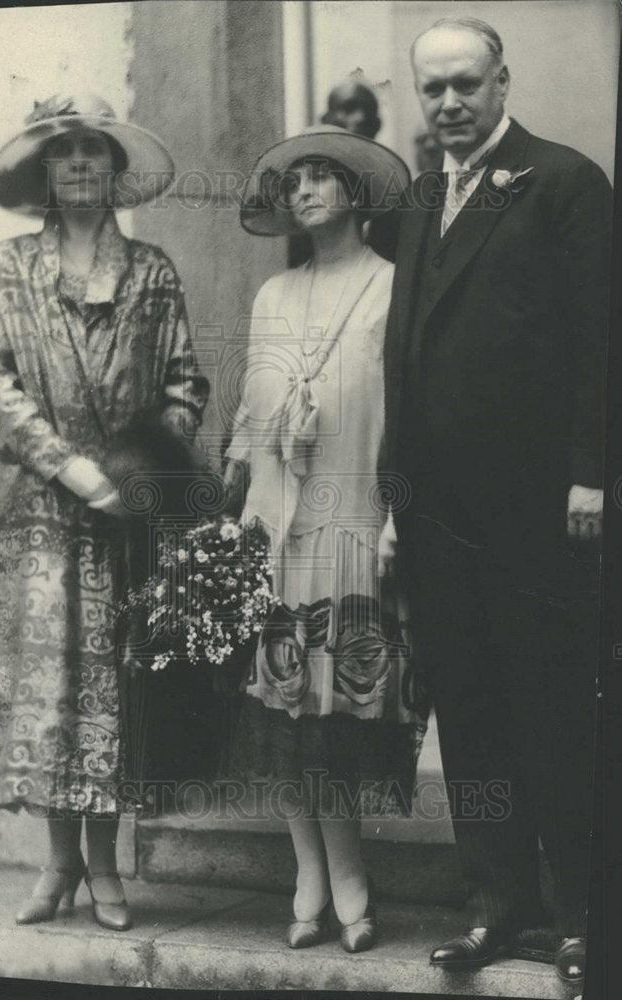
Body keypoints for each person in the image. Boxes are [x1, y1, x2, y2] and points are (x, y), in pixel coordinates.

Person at [380, 18, 611, 984]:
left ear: (501, 80)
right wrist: (395, 502)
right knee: (469, 717)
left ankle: (584, 922)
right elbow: (406, 359)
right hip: (439, 520)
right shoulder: (422, 194)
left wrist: (592, 474)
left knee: (554, 714)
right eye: (431, 89)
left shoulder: (563, 182)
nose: (447, 105)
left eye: (464, 84)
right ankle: (500, 909)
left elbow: (602, 340)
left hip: (537, 514)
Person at [0, 93, 208, 931]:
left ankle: (106, 867)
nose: (78, 165)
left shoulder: (150, 271)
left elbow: (184, 384)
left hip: (126, 519)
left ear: (114, 169)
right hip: (37, 514)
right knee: (46, 689)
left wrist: (140, 471)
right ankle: (58, 864)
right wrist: (73, 468)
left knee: (115, 686)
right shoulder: (9, 267)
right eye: (63, 152)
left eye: (92, 152)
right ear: (46, 170)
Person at [225, 126, 426, 953]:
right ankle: (305, 867)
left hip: (352, 520)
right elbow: (247, 410)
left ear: (355, 193)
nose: (303, 191)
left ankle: (347, 873)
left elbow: (406, 416)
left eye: (320, 178)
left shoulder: (390, 287)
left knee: (334, 707)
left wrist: (393, 519)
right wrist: (239, 505)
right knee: (281, 708)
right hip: (278, 524)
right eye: (293, 181)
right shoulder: (275, 298)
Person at [288, 80, 397, 267]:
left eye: (368, 112)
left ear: (377, 124)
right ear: (326, 120)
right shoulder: (307, 196)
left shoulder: (398, 197)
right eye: (349, 109)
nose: (361, 118)